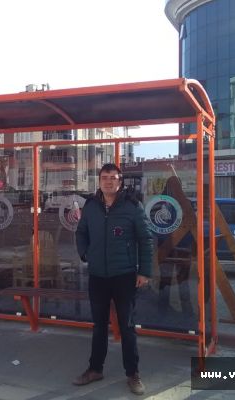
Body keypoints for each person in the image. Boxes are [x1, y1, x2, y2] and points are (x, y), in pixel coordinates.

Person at [73, 163, 153, 395]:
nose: (108, 181)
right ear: (99, 181)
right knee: (99, 326)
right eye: (104, 177)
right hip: (98, 276)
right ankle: (95, 369)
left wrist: (144, 271)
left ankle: (133, 374)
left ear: (120, 181)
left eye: (113, 177)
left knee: (127, 327)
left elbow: (145, 239)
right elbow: (81, 232)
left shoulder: (132, 206)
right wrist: (86, 254)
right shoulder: (91, 206)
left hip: (124, 276)